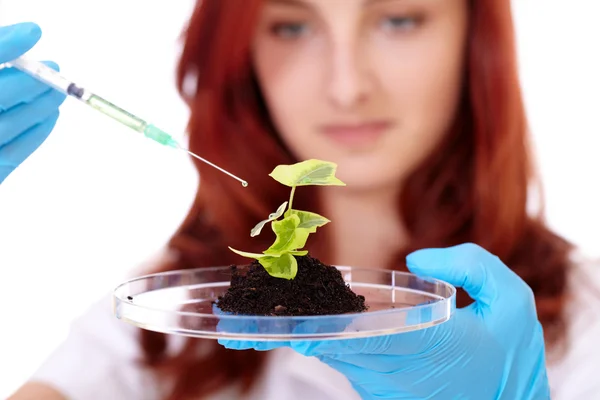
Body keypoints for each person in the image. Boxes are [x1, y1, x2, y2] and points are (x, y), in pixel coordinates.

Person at [2, 0, 599, 399]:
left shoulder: (585, 323)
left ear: (473, 39)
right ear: (240, 54)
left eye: (398, 19)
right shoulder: (164, 325)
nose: (347, 87)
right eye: (291, 25)